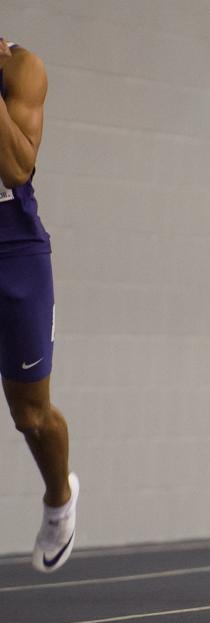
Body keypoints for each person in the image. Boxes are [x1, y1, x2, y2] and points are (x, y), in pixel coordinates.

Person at [0, 36, 78, 573]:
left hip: (13, 248)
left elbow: (18, 169)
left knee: (30, 414)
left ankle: (59, 497)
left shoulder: (22, 68)